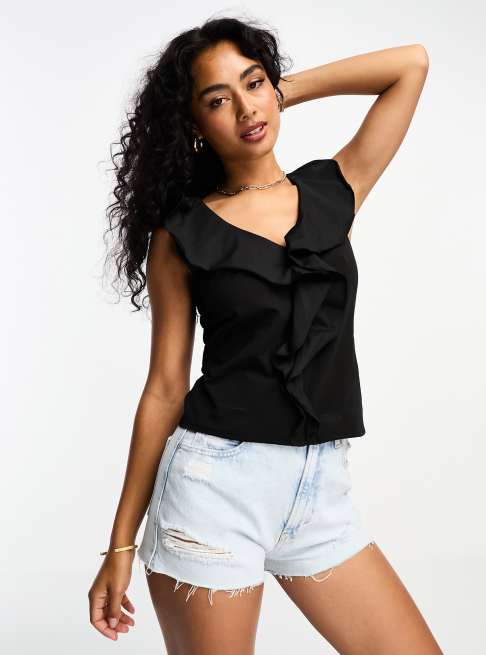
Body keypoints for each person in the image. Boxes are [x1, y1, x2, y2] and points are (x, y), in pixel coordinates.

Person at [88, 15, 441, 655]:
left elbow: (409, 64)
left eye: (252, 84)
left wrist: (281, 90)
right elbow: (165, 388)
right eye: (217, 100)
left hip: (321, 493)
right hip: (213, 492)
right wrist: (120, 544)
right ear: (194, 125)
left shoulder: (333, 190)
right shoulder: (183, 234)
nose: (246, 108)